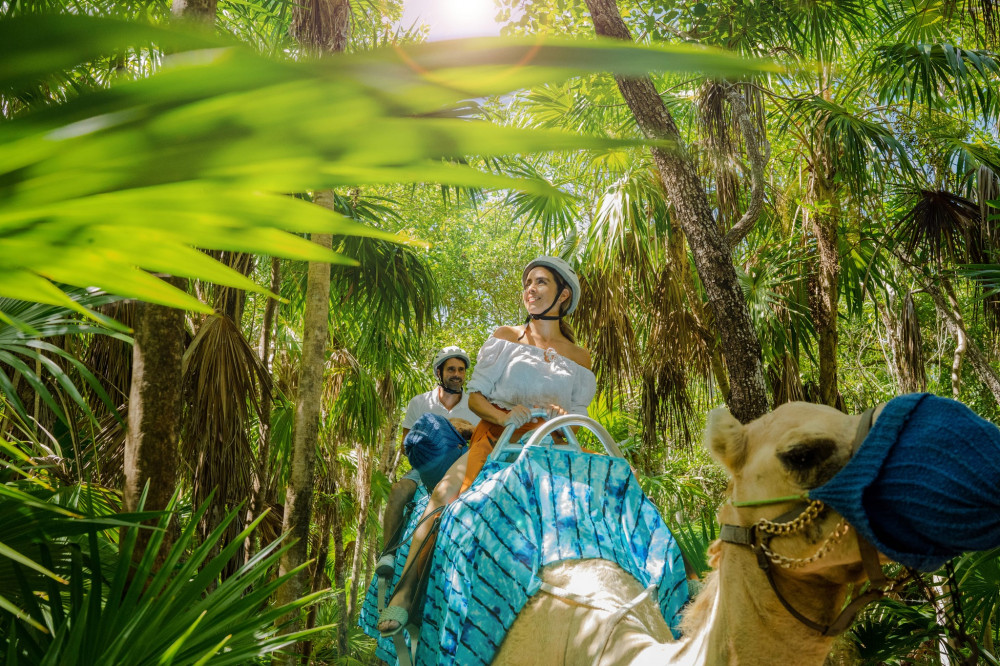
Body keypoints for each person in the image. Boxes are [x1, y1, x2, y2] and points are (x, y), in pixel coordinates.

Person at [377, 256, 596, 636]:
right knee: (443, 497)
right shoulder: (506, 337)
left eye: (540, 282)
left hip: (554, 444)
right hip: (496, 438)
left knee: (613, 484)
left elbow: (580, 416)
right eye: (527, 282)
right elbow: (476, 398)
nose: (530, 288)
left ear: (563, 296)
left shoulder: (580, 357)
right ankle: (406, 590)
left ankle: (671, 574)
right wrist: (502, 416)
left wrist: (562, 414)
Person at [377, 346, 479, 576]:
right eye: (451, 369)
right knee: (398, 490)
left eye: (461, 370)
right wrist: (439, 434)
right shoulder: (420, 402)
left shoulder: (475, 404)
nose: (457, 374)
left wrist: (468, 430)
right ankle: (388, 554)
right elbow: (405, 447)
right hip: (424, 468)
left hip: (463, 467)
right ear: (439, 373)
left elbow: (483, 442)